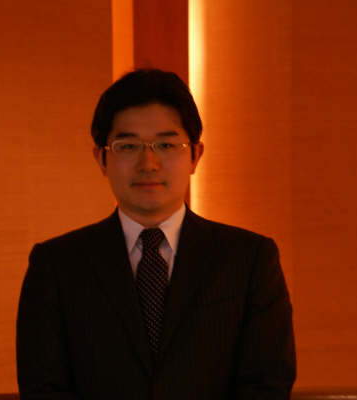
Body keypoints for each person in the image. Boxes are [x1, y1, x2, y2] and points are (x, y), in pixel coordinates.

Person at [16, 69, 296, 400]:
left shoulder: (250, 259)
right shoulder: (55, 266)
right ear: (102, 158)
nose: (148, 163)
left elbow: (267, 384)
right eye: (128, 146)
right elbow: (42, 388)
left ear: (195, 155)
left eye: (166, 144)